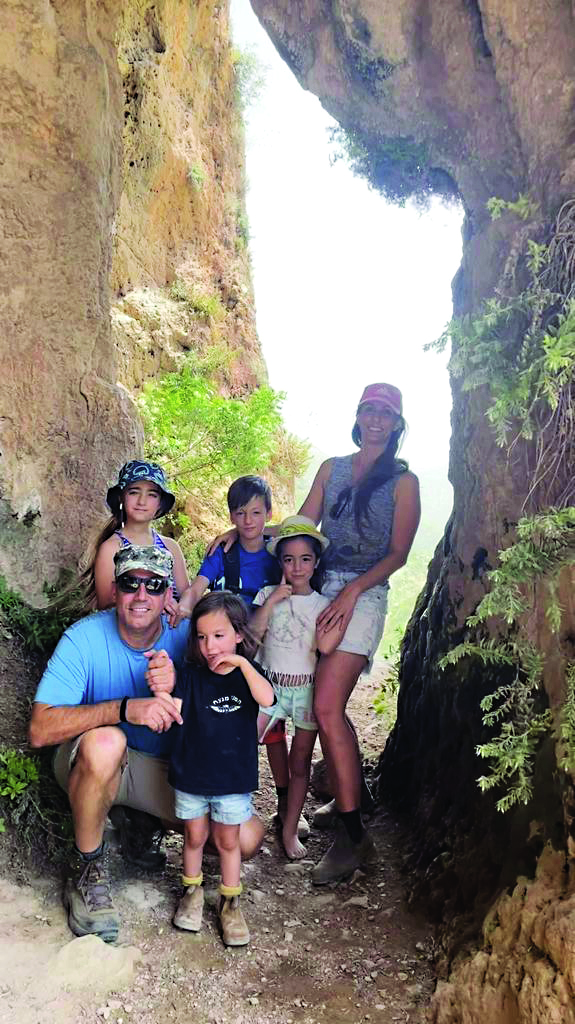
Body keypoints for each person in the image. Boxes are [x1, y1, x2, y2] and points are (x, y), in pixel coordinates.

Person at [28, 545, 264, 944]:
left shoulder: (193, 636)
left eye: (153, 585)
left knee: (247, 838)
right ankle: (87, 868)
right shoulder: (83, 638)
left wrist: (177, 682)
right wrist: (123, 708)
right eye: (130, 583)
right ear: (114, 590)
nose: (141, 595)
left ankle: (139, 822)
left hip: (166, 769)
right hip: (97, 761)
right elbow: (39, 730)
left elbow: (237, 691)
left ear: (168, 593)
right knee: (107, 740)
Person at [299, 382, 420, 883]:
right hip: (322, 584)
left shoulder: (404, 482)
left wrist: (352, 592)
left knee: (326, 706)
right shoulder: (333, 469)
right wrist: (248, 534)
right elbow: (304, 524)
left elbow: (399, 554)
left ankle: (354, 839)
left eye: (385, 413)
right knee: (326, 702)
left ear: (396, 425)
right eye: (369, 410)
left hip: (365, 593)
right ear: (358, 416)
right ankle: (356, 795)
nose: (375, 419)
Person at [174, 475, 296, 833]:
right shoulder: (223, 553)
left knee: (274, 726)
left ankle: (286, 804)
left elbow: (296, 534)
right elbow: (197, 588)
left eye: (256, 513)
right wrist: (182, 609)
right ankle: (214, 797)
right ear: (230, 515)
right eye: (240, 514)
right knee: (223, 717)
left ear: (268, 513)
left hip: (267, 645)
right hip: (226, 647)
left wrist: (259, 530)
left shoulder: (276, 553)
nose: (248, 521)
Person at [170, 592, 275, 947]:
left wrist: (243, 665)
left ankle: (230, 903)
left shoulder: (249, 675)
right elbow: (174, 710)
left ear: (239, 635)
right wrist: (160, 688)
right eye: (202, 637)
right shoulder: (190, 675)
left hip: (232, 780)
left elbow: (268, 699)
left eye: (219, 635)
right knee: (194, 837)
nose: (210, 646)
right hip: (192, 776)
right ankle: (192, 893)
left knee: (229, 841)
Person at [251, 516, 342, 859]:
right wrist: (273, 600)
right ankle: (234, 814)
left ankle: (290, 829)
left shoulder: (322, 604)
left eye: (305, 559)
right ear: (280, 562)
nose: (297, 566)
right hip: (269, 690)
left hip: (306, 691)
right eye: (289, 559)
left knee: (300, 761)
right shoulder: (266, 595)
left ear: (316, 562)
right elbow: (251, 636)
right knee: (244, 742)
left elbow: (325, 648)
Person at [81, 460, 189, 620]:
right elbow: (106, 607)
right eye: (134, 492)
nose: (142, 501)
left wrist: (181, 608)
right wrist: (154, 604)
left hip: (171, 631)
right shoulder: (112, 548)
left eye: (152, 495)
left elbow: (186, 596)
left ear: (160, 503)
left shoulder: (171, 547)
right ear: (121, 498)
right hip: (128, 631)